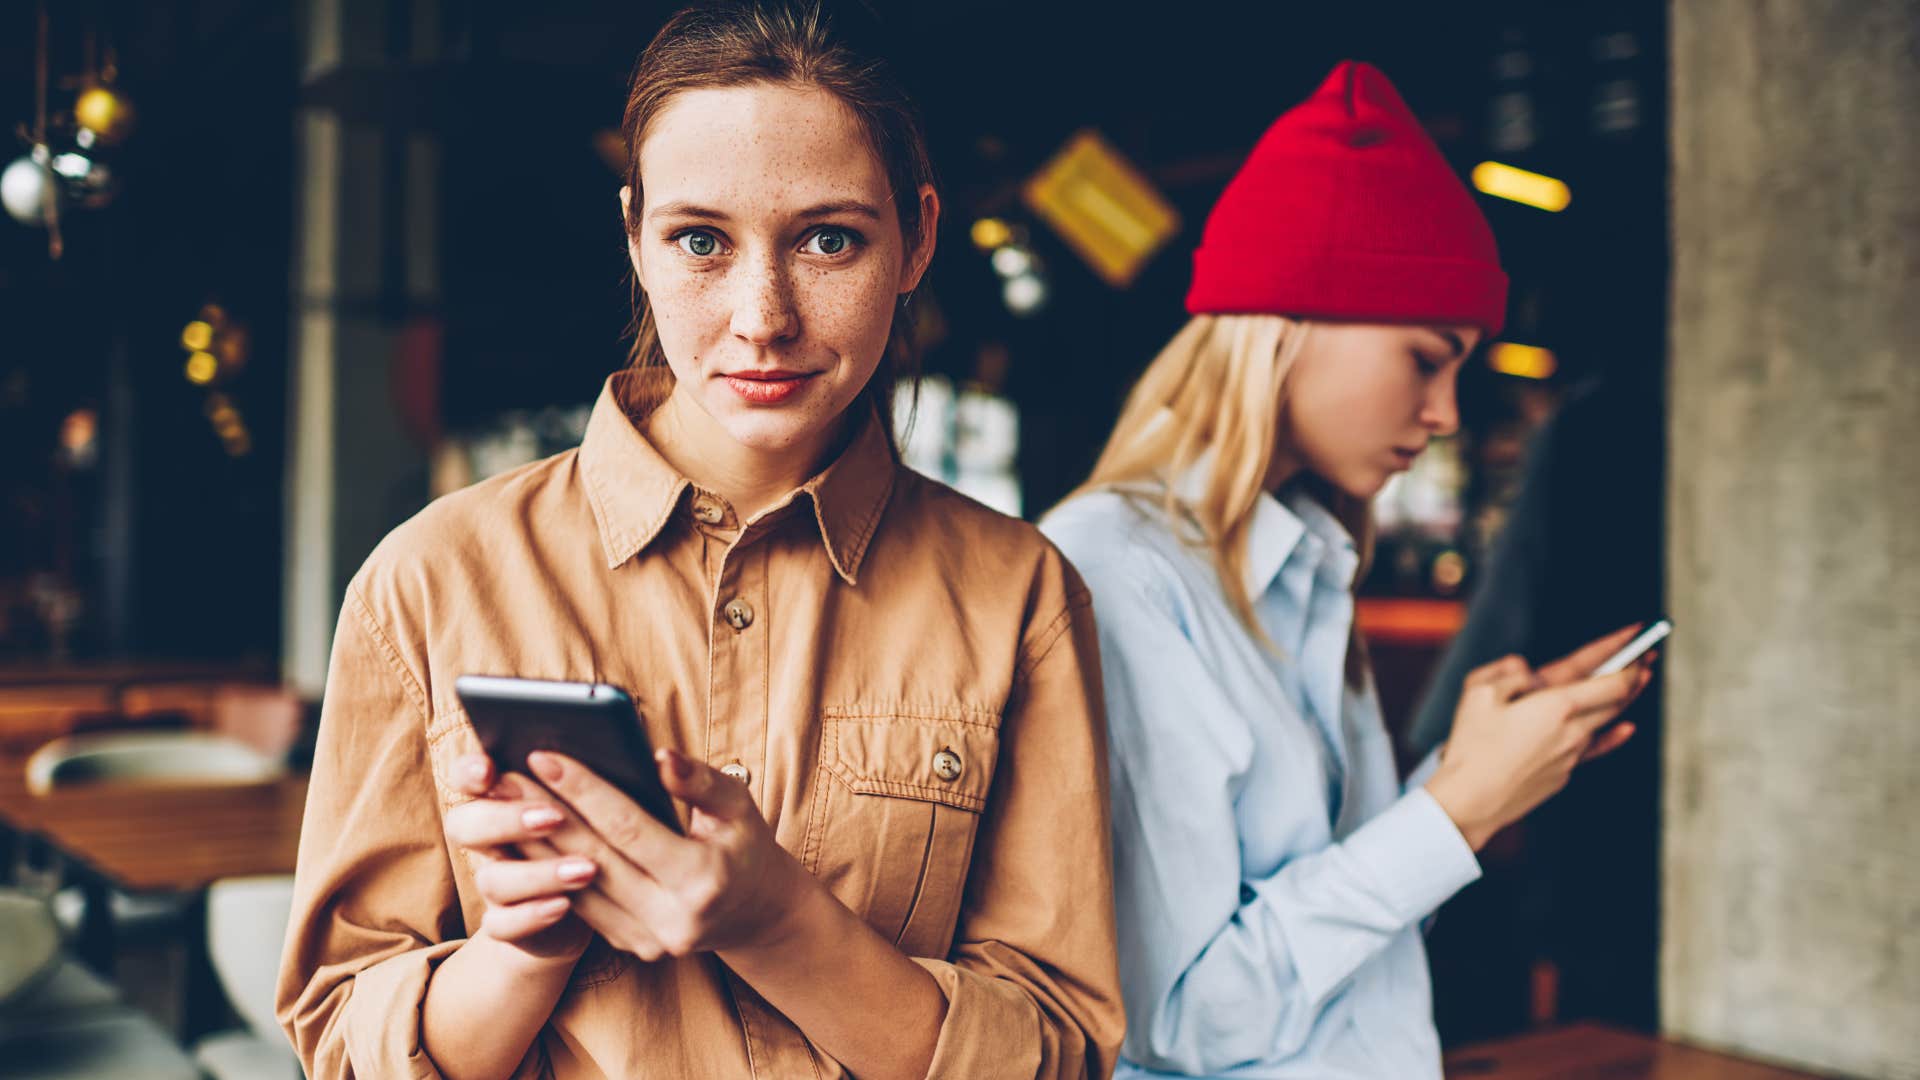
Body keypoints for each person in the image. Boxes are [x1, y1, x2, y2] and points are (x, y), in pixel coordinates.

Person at [275, 4, 1123, 1077]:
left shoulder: (1021, 597)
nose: (762, 314)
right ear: (635, 236)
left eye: (829, 239)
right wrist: (520, 952)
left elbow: (1060, 1057)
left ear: (917, 239)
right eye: (700, 241)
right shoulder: (430, 582)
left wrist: (780, 926)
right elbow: (341, 1045)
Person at [1039, 62, 1656, 1079]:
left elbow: (1322, 888)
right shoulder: (1118, 573)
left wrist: (1471, 769)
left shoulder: (1302, 559)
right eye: (1426, 357)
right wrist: (1460, 811)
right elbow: (1176, 1020)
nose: (1449, 413)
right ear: (1287, 322)